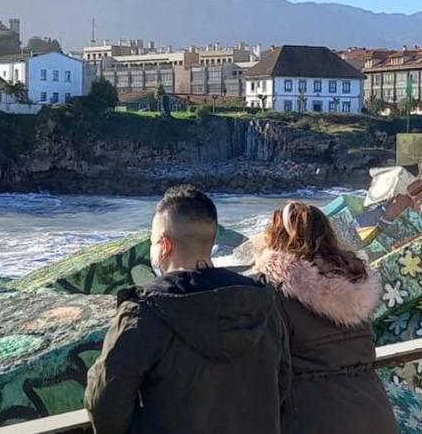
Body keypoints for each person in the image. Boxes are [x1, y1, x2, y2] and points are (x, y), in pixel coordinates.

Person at [84, 185, 290, 434]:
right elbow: (282, 384)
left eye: (152, 241)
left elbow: (104, 402)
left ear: (164, 246)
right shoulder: (261, 303)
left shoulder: (144, 313)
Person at [252, 201, 397, 434]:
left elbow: (265, 372)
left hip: (315, 417)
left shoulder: (276, 295)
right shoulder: (354, 285)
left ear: (274, 241)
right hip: (374, 411)